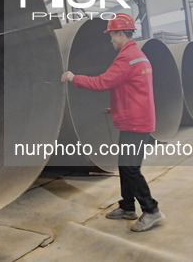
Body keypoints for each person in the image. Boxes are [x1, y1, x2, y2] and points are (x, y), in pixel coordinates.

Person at [61, 13, 164, 232]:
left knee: (130, 168)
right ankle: (128, 207)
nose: (111, 40)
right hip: (136, 120)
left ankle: (151, 210)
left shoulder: (126, 58)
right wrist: (117, 108)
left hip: (135, 124)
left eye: (112, 36)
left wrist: (73, 78)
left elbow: (102, 82)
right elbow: (135, 90)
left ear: (120, 33)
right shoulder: (139, 55)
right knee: (124, 165)